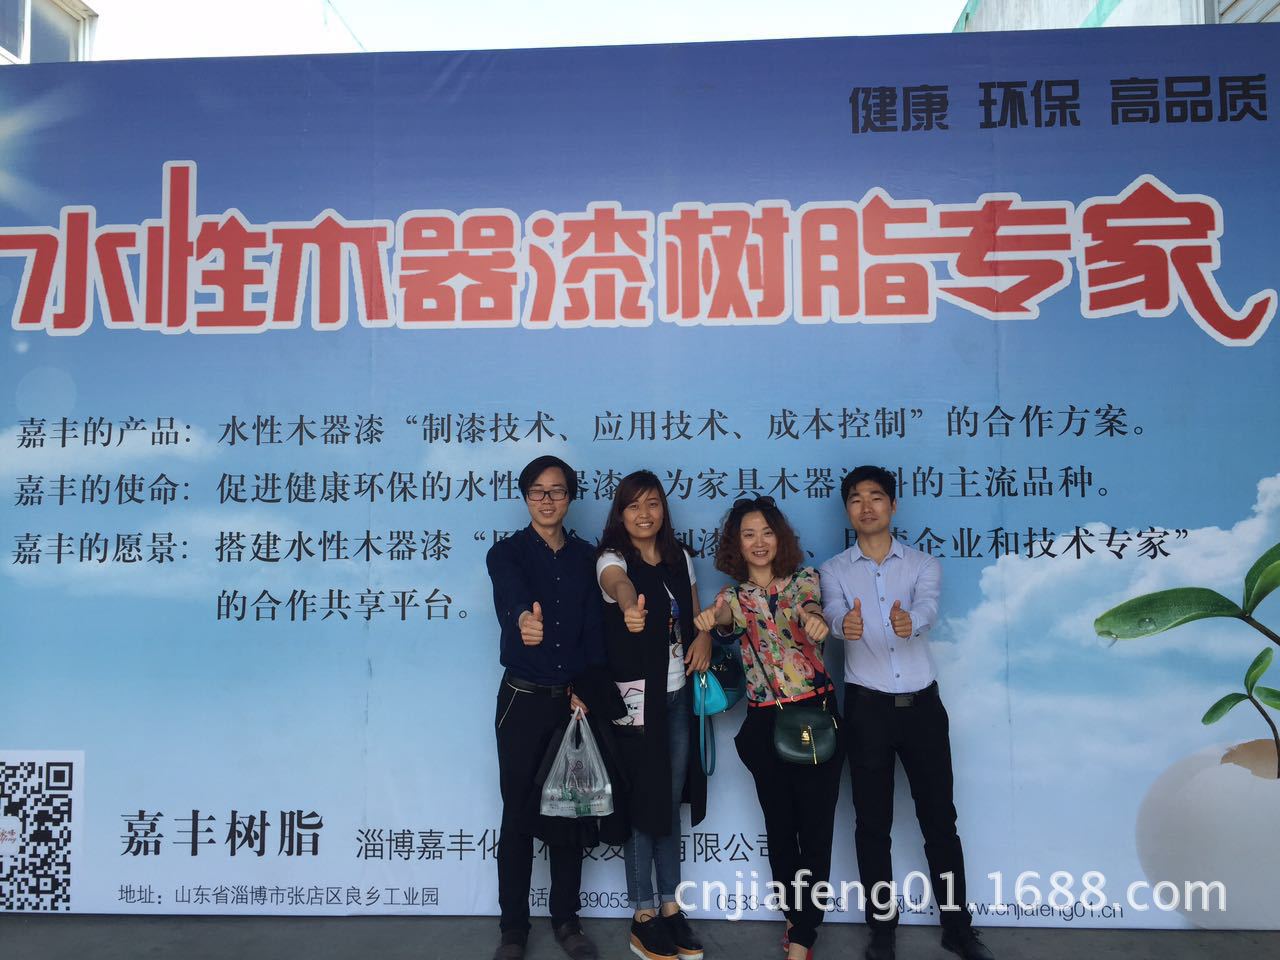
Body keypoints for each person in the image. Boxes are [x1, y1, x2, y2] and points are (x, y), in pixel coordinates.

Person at [818, 466, 993, 960]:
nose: (867, 506)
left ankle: (958, 928)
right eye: (856, 498)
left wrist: (908, 620)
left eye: (876, 497)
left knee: (940, 822)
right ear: (847, 510)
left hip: (923, 709)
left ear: (893, 506)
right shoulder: (833, 570)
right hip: (867, 710)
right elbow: (831, 612)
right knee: (872, 825)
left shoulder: (922, 564)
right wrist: (843, 625)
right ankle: (882, 931)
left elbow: (929, 608)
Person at [693, 496, 843, 960]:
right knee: (780, 829)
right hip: (765, 721)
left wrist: (814, 621)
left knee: (815, 830)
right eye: (748, 534)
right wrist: (710, 620)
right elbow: (724, 619)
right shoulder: (733, 597)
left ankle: (803, 936)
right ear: (737, 544)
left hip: (814, 716)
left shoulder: (803, 580)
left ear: (780, 538)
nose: (759, 542)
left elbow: (809, 607)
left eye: (767, 532)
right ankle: (794, 916)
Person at [487, 455, 620, 960]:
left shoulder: (587, 558)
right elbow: (511, 596)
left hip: (571, 701)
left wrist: (587, 687)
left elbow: (595, 633)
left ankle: (567, 921)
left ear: (570, 498)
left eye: (557, 490)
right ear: (526, 497)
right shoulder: (507, 553)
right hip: (521, 701)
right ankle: (513, 930)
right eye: (538, 491)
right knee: (517, 816)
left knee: (569, 812)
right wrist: (524, 619)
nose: (547, 499)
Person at [596, 470, 711, 960]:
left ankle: (670, 906)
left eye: (653, 504)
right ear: (620, 514)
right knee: (644, 804)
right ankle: (643, 915)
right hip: (637, 700)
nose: (644, 514)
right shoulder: (612, 558)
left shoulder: (679, 556)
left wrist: (704, 637)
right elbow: (618, 585)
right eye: (633, 506)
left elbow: (696, 615)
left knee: (667, 803)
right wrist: (629, 607)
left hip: (678, 695)